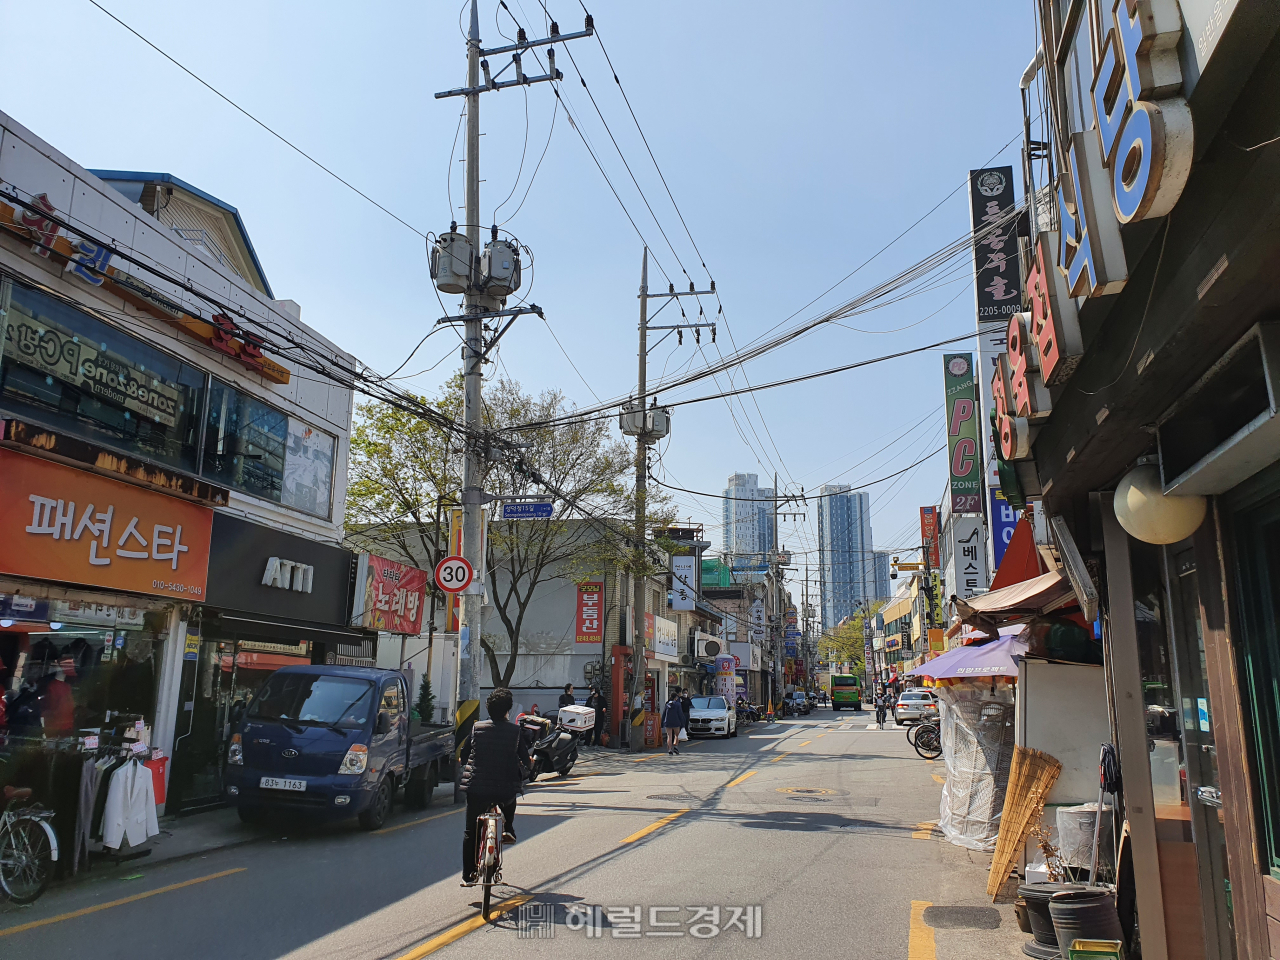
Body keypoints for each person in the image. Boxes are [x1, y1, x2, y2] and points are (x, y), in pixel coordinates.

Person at [459, 688, 529, 884]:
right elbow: (525, 758)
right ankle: (509, 829)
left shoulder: (477, 728)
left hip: (477, 790)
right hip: (504, 789)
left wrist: (464, 761)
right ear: (508, 710)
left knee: (470, 831)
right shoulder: (515, 732)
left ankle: (468, 875)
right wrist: (528, 764)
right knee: (510, 802)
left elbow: (464, 756)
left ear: (488, 709)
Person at [661, 691, 685, 755]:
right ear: (675, 698)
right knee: (677, 735)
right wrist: (683, 723)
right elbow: (680, 714)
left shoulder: (667, 704)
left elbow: (664, 714)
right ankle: (676, 746)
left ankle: (669, 749)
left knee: (669, 736)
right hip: (676, 721)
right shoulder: (678, 704)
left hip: (668, 721)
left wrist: (662, 722)